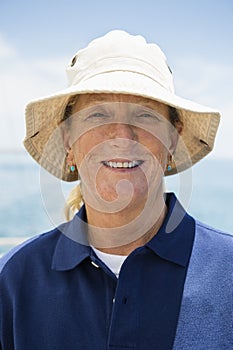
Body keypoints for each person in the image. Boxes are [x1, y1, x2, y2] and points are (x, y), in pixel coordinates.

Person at [0, 30, 232, 350]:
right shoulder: (14, 279)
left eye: (145, 114)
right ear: (68, 141)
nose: (121, 135)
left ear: (173, 139)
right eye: (97, 114)